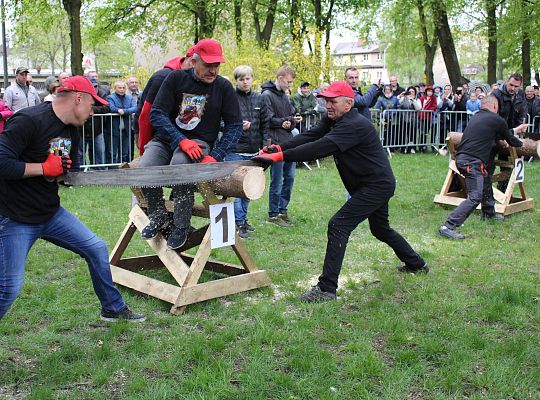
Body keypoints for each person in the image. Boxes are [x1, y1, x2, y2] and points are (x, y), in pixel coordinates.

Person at [253, 81, 428, 302]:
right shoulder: (333, 118)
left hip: (376, 186)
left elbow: (320, 147)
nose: (327, 105)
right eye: (326, 100)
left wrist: (279, 157)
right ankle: (417, 264)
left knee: (338, 225)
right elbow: (311, 136)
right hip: (368, 184)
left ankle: (326, 289)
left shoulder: (354, 124)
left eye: (332, 101)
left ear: (348, 104)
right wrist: (280, 147)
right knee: (381, 230)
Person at [0, 76, 145, 321]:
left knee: (96, 248)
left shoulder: (71, 128)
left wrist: (61, 173)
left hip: (49, 213)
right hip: (15, 218)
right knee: (8, 288)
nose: (92, 112)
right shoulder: (29, 120)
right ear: (78, 98)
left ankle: (112, 308)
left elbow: (63, 168)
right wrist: (44, 168)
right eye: (91, 105)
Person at [139, 38, 242, 249]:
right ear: (194, 61)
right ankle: (158, 215)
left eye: (217, 65)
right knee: (145, 168)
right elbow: (157, 114)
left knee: (180, 166)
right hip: (167, 139)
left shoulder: (223, 87)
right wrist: (180, 140)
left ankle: (181, 225)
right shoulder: (175, 79)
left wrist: (216, 155)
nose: (213, 70)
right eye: (208, 65)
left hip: (199, 142)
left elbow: (235, 125)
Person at [438, 95, 528, 240]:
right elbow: (509, 139)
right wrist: (523, 145)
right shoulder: (496, 119)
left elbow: (497, 136)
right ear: (494, 106)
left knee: (485, 180)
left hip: (464, 159)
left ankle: (489, 213)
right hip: (471, 162)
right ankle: (448, 226)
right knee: (475, 197)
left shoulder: (476, 117)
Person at [225, 65, 270, 238]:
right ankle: (237, 223)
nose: (245, 82)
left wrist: (266, 145)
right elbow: (221, 123)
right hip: (235, 149)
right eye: (241, 79)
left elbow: (265, 123)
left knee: (249, 188)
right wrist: (238, 126)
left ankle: (242, 219)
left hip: (254, 150)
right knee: (236, 188)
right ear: (236, 80)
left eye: (248, 78)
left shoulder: (260, 99)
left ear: (252, 79)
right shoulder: (230, 98)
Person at [261, 65, 302, 227]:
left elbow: (290, 114)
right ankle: (273, 213)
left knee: (290, 177)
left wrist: (293, 120)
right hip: (275, 142)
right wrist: (282, 122)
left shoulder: (285, 96)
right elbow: (267, 119)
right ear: (279, 79)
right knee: (277, 179)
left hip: (288, 142)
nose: (290, 86)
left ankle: (283, 209)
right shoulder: (266, 95)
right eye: (288, 82)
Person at [137, 46, 195, 155]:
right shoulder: (162, 77)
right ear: (192, 62)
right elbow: (146, 115)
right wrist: (144, 149)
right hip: (157, 136)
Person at [107, 81, 137, 163]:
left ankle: (122, 169)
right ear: (115, 88)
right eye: (119, 88)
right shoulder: (110, 97)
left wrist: (124, 111)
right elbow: (111, 107)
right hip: (114, 129)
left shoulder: (129, 98)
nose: (121, 89)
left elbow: (135, 108)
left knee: (124, 153)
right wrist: (118, 110)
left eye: (123, 88)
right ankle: (111, 170)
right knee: (112, 152)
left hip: (126, 129)